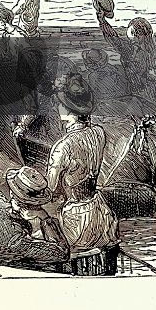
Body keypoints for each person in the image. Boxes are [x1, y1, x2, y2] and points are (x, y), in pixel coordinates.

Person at [46, 74, 120, 270]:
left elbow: (50, 189)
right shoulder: (98, 133)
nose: (55, 108)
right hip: (100, 213)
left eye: (58, 103)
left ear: (66, 108)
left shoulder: (62, 146)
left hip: (77, 221)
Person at [96, 5, 156, 100]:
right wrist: (102, 22)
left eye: (137, 34)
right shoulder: (129, 49)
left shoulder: (154, 50)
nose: (133, 37)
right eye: (132, 34)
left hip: (148, 91)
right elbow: (114, 39)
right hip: (135, 91)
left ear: (144, 35)